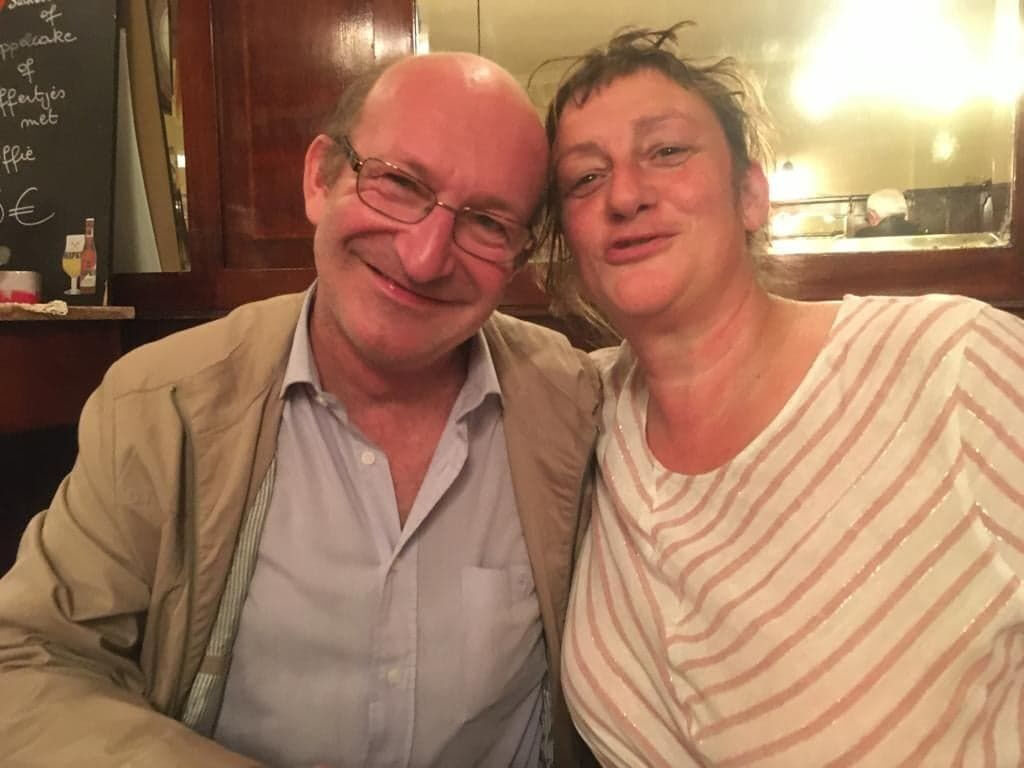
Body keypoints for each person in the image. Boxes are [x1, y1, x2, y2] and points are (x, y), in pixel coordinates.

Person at [0, 53, 601, 768]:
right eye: (399, 183)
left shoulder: (577, 406)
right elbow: (30, 658)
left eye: (489, 223)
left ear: (517, 258)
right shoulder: (162, 405)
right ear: (321, 178)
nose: (424, 257)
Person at [542, 23, 1024, 767]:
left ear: (750, 195)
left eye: (666, 151)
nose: (626, 195)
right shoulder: (584, 411)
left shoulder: (951, 362)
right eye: (585, 178)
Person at [854, 187, 923, 237]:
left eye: (867, 219)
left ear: (872, 216)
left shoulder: (864, 237)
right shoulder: (920, 235)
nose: (868, 223)